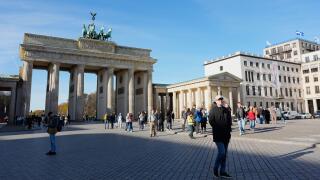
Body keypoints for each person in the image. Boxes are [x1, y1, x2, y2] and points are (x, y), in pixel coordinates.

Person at [208, 95, 232, 178]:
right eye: (219, 99)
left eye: (222, 99)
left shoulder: (226, 110)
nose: (220, 101)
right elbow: (211, 121)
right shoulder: (213, 110)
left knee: (224, 154)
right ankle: (215, 168)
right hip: (218, 135)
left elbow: (229, 121)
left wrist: (229, 131)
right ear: (216, 101)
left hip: (226, 135)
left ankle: (223, 171)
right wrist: (218, 128)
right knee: (221, 152)